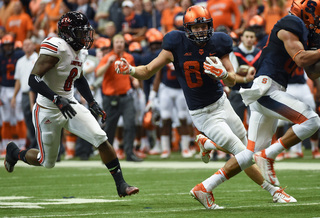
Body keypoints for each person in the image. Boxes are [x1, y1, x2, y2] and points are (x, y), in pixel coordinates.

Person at [115, 5, 295, 209]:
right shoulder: (176, 43)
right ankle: (273, 191)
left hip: (222, 103)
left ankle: (207, 144)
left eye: (204, 26)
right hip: (203, 113)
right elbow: (147, 70)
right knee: (241, 152)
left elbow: (232, 80)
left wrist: (224, 74)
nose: (201, 31)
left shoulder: (219, 41)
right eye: (196, 27)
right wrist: (130, 69)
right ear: (187, 28)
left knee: (248, 152)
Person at [172, 0, 320, 208]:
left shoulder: (305, 32)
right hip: (266, 90)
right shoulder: (290, 24)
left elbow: (312, 72)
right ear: (309, 13)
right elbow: (302, 59)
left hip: (270, 90)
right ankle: (268, 155)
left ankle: (205, 186)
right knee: (312, 121)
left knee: (247, 156)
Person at [4, 11, 139, 198]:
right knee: (46, 161)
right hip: (47, 108)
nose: (86, 36)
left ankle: (121, 184)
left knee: (100, 137)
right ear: (68, 33)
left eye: (86, 32)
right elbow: (33, 80)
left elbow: (80, 78)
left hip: (70, 104)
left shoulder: (79, 51)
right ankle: (14, 153)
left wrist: (92, 102)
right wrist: (56, 99)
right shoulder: (56, 47)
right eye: (81, 32)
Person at [96, 34, 143, 162]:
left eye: (121, 42)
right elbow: (97, 73)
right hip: (110, 98)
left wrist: (134, 80)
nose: (119, 44)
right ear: (113, 44)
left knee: (130, 124)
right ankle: (108, 156)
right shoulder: (107, 58)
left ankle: (129, 153)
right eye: (117, 42)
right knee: (110, 127)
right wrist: (108, 64)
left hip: (126, 96)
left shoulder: (129, 57)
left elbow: (132, 71)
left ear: (124, 44)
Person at [11, 39, 38, 149]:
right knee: (27, 120)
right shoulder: (20, 61)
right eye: (24, 44)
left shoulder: (37, 59)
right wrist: (14, 96)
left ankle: (38, 144)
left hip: (37, 93)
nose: (26, 46)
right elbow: (18, 80)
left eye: (29, 44)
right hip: (24, 94)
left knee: (37, 119)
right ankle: (33, 143)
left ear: (33, 46)